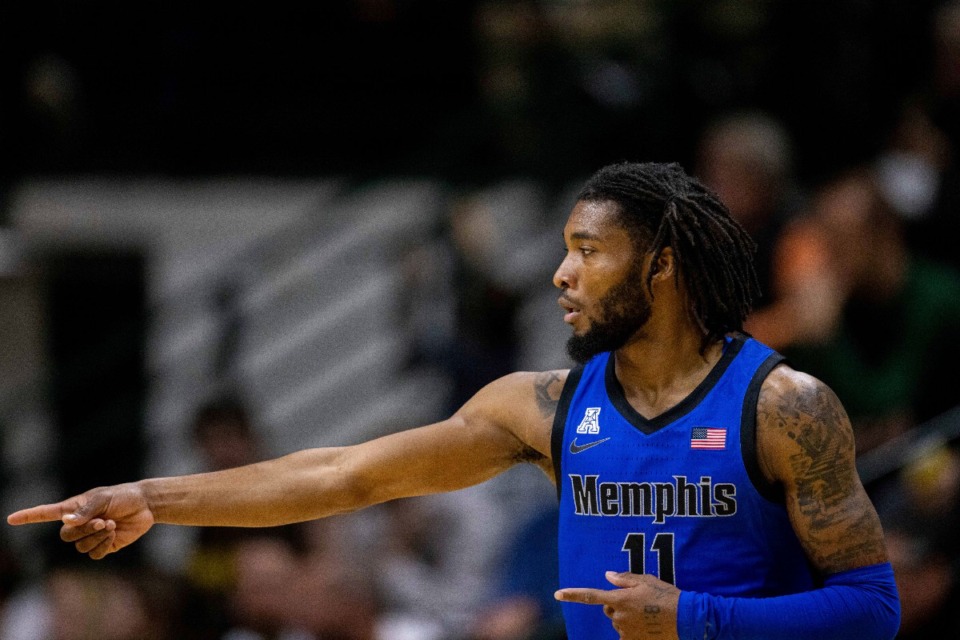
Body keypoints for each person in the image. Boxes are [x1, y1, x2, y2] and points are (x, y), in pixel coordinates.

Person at [7, 162, 900, 640]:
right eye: (563, 249)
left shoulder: (783, 406)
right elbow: (340, 476)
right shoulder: (542, 407)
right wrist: (153, 500)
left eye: (589, 252)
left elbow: (871, 607)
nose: (560, 273)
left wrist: (695, 620)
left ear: (661, 267)